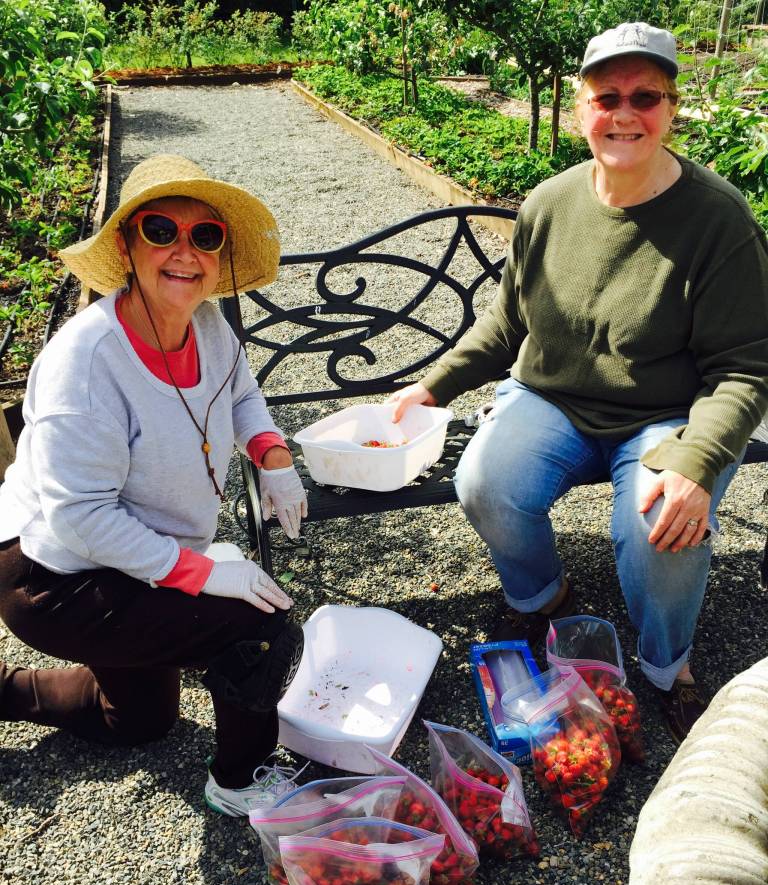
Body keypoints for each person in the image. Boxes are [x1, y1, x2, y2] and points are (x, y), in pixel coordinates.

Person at [389, 23, 768, 744]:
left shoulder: (718, 221)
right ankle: (542, 594)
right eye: (607, 97)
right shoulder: (550, 204)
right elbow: (507, 326)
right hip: (553, 400)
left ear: (671, 108)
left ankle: (667, 669)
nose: (625, 114)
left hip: (666, 416)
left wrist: (695, 463)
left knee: (665, 530)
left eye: (646, 97)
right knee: (484, 483)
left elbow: (746, 365)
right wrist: (430, 389)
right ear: (579, 107)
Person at [0, 154, 312, 814]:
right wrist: (199, 572)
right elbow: (82, 517)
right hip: (54, 575)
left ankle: (5, 692)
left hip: (125, 555)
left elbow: (241, 394)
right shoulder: (83, 369)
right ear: (125, 243)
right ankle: (240, 782)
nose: (183, 252)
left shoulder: (207, 326)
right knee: (260, 630)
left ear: (220, 252)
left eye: (204, 236)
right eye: (160, 229)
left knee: (137, 723)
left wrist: (273, 457)